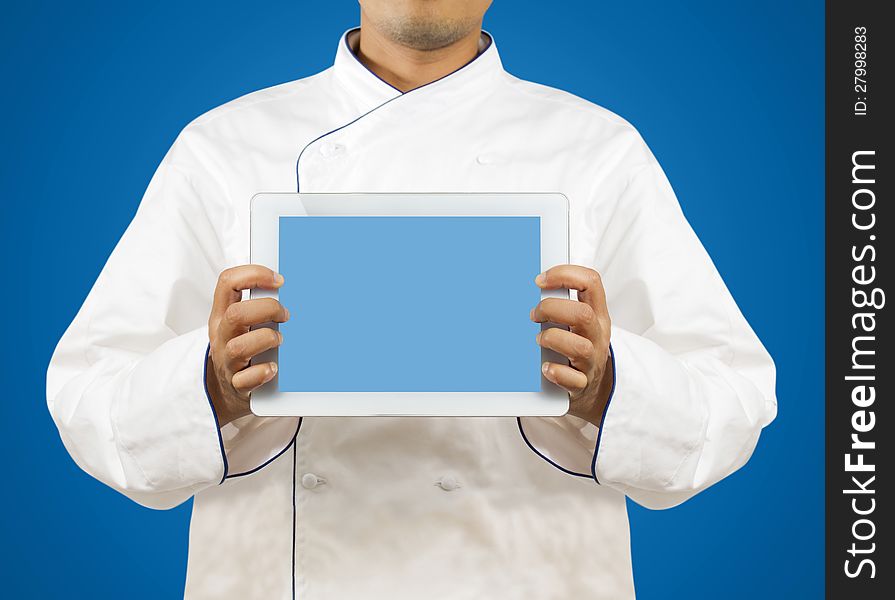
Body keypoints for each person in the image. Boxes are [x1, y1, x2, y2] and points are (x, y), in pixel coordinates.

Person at [46, 1, 777, 598]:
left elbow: (731, 403)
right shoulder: (222, 147)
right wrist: (210, 383)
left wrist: (607, 384)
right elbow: (89, 402)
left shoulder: (598, 150)